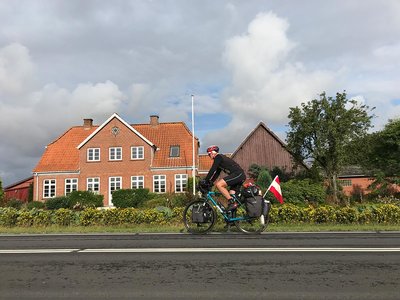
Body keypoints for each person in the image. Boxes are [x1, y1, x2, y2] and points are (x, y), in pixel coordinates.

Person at [203, 145, 246, 211]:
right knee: (232, 196)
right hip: (238, 176)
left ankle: (231, 202)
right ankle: (233, 219)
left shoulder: (218, 157)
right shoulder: (220, 159)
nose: (209, 156)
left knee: (219, 185)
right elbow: (217, 173)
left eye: (209, 155)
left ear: (212, 153)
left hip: (238, 174)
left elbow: (212, 170)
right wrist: (211, 182)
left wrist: (206, 180)